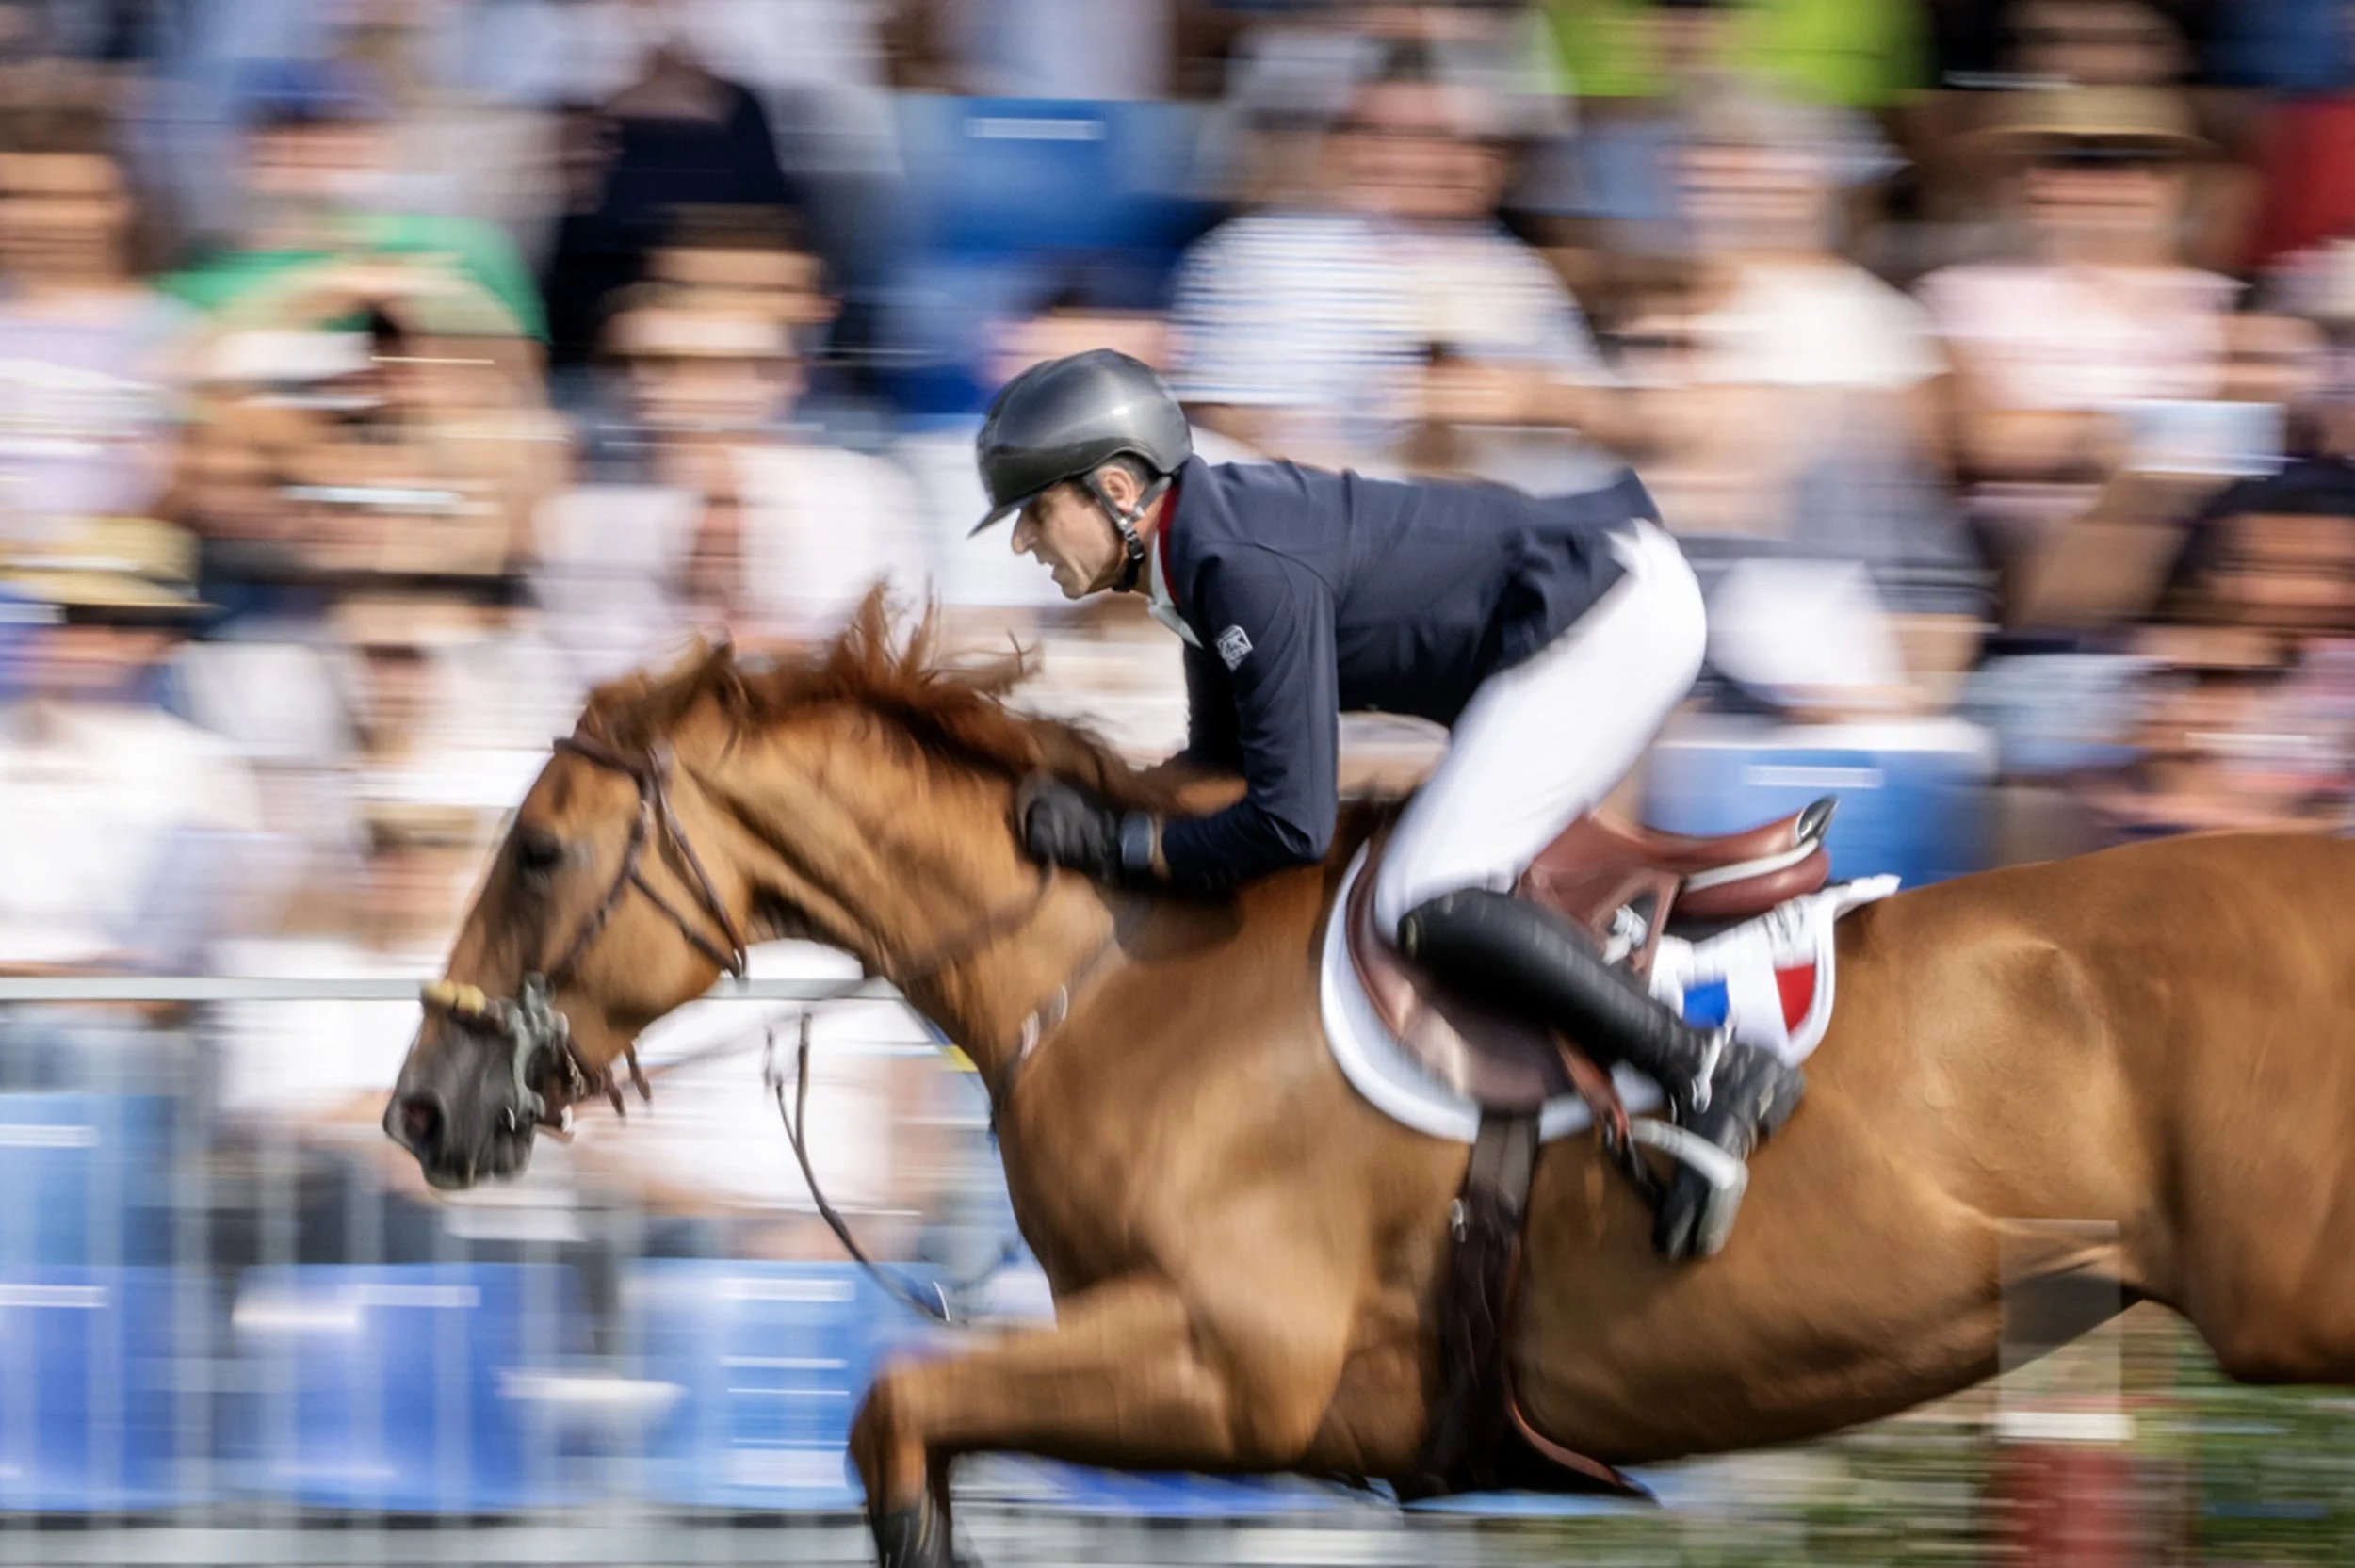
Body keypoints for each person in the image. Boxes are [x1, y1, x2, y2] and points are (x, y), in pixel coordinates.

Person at [968, 348, 1800, 1261]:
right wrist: (1094, 815)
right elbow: (1220, 773)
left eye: (1038, 509)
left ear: (1119, 489)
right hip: (1594, 601)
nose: (1023, 543)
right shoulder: (1200, 554)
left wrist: (1120, 846)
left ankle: (1704, 1065)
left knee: (1424, 893)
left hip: (1608, 616)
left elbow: (1290, 824)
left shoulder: (1236, 564)